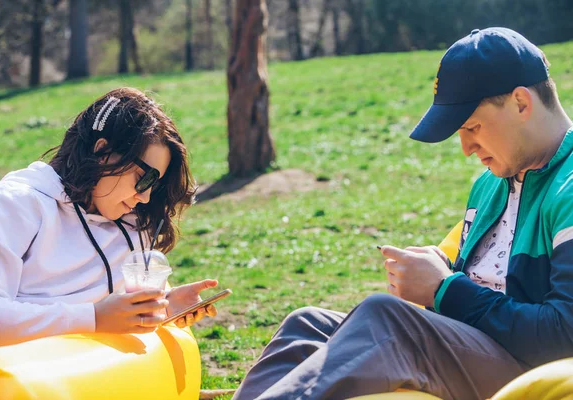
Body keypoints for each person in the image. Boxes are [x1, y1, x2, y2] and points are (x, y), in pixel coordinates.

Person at [232, 27, 573, 400]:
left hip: (536, 373)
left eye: (472, 127)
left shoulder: (567, 188)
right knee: (307, 324)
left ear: (521, 103)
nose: (466, 148)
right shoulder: (490, 184)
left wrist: (445, 289)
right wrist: (439, 268)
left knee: (388, 319)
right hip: (478, 350)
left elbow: (564, 335)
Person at [0, 87, 218, 350]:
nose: (145, 197)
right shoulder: (9, 206)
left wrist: (164, 307)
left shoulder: (133, 221)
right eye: (143, 178)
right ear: (102, 152)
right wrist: (95, 317)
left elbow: (114, 312)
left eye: (154, 184)